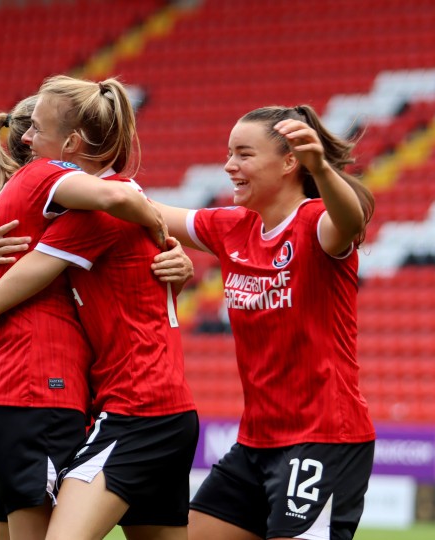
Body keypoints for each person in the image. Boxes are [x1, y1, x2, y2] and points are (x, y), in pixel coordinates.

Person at [0, 74, 198, 540]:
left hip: (131, 410)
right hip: (161, 408)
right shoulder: (111, 203)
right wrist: (169, 246)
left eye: (36, 127)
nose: (28, 138)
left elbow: (16, 283)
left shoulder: (96, 211)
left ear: (70, 142)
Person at [146, 105, 376, 540]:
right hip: (255, 445)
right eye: (230, 153)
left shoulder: (316, 225)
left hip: (323, 440)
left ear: (291, 163)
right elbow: (146, 210)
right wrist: (67, 181)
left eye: (244, 154)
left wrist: (322, 169)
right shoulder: (231, 227)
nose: (230, 165)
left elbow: (349, 221)